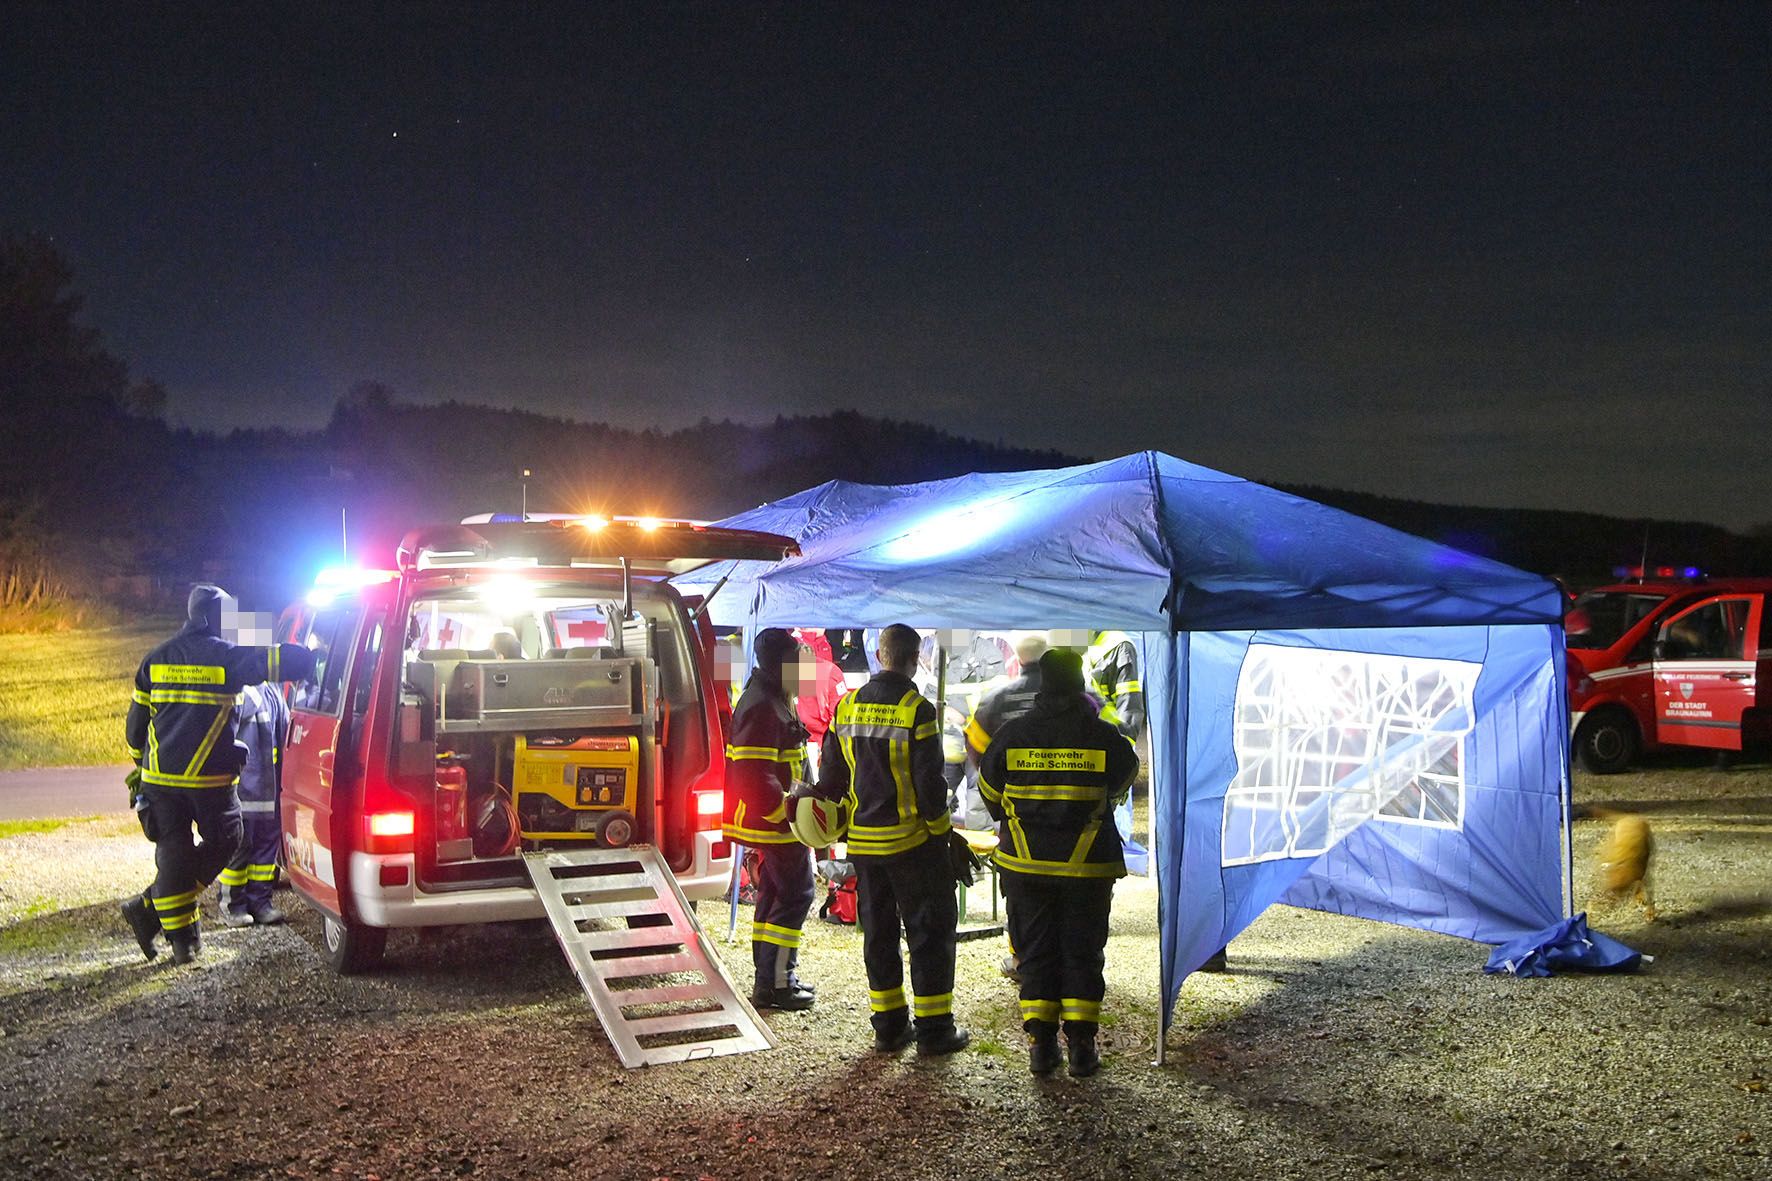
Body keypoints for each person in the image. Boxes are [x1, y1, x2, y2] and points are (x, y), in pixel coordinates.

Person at [120, 585, 316, 964]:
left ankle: (182, 943)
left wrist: (140, 766)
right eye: (231, 616)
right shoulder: (226, 657)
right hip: (209, 782)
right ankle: (152, 909)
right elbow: (275, 662)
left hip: (161, 782)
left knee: (173, 856)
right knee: (228, 839)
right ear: (212, 618)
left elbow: (135, 728)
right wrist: (313, 659)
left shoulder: (155, 659)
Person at [978, 647, 1138, 1077]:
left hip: (1026, 869)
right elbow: (1124, 780)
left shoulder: (1012, 735)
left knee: (1035, 954)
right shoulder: (1104, 736)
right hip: (1087, 869)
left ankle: (1041, 1048)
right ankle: (1082, 1050)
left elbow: (991, 796)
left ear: (1043, 684)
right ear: (1079, 683)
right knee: (1083, 952)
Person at [815, 623, 969, 1057]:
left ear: (881, 656)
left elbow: (831, 779)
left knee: (878, 933)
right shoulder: (917, 709)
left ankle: (888, 1027)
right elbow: (929, 785)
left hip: (864, 846)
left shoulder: (846, 708)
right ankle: (935, 1030)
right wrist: (943, 838)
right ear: (913, 658)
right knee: (929, 933)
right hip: (912, 844)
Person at [721, 627, 817, 1010]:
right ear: (782, 664)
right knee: (797, 893)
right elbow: (753, 774)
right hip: (775, 821)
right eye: (797, 659)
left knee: (775, 892)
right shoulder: (763, 703)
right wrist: (785, 812)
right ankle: (779, 982)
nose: (804, 666)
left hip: (777, 819)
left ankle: (769, 980)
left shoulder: (773, 697)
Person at [213, 680, 290, 927]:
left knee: (266, 849)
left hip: (270, 788)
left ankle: (260, 902)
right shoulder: (241, 690)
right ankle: (231, 905)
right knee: (240, 848)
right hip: (245, 788)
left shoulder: (272, 689)